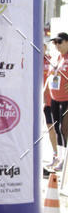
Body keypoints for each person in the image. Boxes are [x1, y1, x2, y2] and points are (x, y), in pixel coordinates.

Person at [46, 32, 68, 172]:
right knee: (56, 129)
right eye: (55, 43)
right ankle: (60, 158)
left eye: (59, 42)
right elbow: (49, 77)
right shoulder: (55, 58)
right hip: (54, 99)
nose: (57, 45)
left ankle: (65, 160)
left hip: (66, 99)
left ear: (67, 42)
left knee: (63, 129)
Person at [43, 39, 58, 171]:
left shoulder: (51, 61)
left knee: (59, 130)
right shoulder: (30, 60)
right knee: (50, 129)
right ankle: (55, 155)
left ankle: (59, 157)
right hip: (45, 103)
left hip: (56, 101)